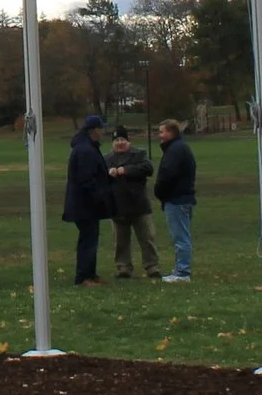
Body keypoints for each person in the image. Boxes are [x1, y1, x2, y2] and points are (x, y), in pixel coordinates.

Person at [62, 115, 114, 284]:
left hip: (86, 204)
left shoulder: (87, 147)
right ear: (94, 130)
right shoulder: (85, 150)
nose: (103, 131)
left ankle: (90, 273)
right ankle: (83, 276)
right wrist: (99, 197)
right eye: (101, 128)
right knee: (88, 240)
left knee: (91, 238)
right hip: (84, 204)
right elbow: (87, 179)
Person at [106, 127, 161, 280]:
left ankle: (152, 267)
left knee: (147, 238)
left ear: (128, 141)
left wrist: (126, 170)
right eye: (117, 140)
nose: (120, 143)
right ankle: (123, 267)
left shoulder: (140, 154)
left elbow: (148, 168)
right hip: (118, 206)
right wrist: (108, 172)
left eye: (122, 140)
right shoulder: (107, 158)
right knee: (120, 240)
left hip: (139, 204)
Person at [153, 119, 196, 282]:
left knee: (180, 237)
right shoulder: (178, 148)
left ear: (171, 133)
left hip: (177, 199)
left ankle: (183, 273)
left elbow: (168, 174)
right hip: (180, 198)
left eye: (162, 131)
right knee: (181, 235)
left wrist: (159, 191)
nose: (160, 136)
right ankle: (180, 268)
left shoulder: (175, 150)